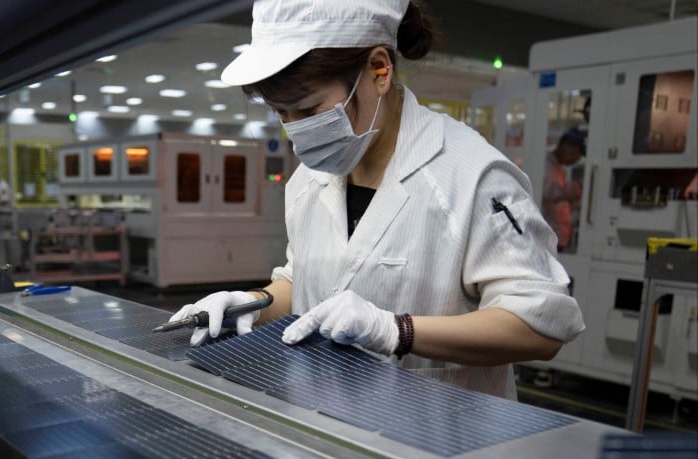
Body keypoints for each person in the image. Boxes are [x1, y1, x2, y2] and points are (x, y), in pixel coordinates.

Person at [166, 0, 584, 400]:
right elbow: (306, 283)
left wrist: (396, 331)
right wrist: (255, 304)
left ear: (379, 70)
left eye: (310, 109)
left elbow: (541, 327)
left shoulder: (471, 174)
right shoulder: (312, 177)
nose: (297, 133)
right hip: (327, 425)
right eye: (282, 114)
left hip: (437, 445)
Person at [542, 129, 585, 251]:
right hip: (546, 236)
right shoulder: (544, 165)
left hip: (557, 236)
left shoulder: (560, 169)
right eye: (578, 153)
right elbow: (550, 192)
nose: (577, 159)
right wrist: (575, 189)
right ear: (567, 146)